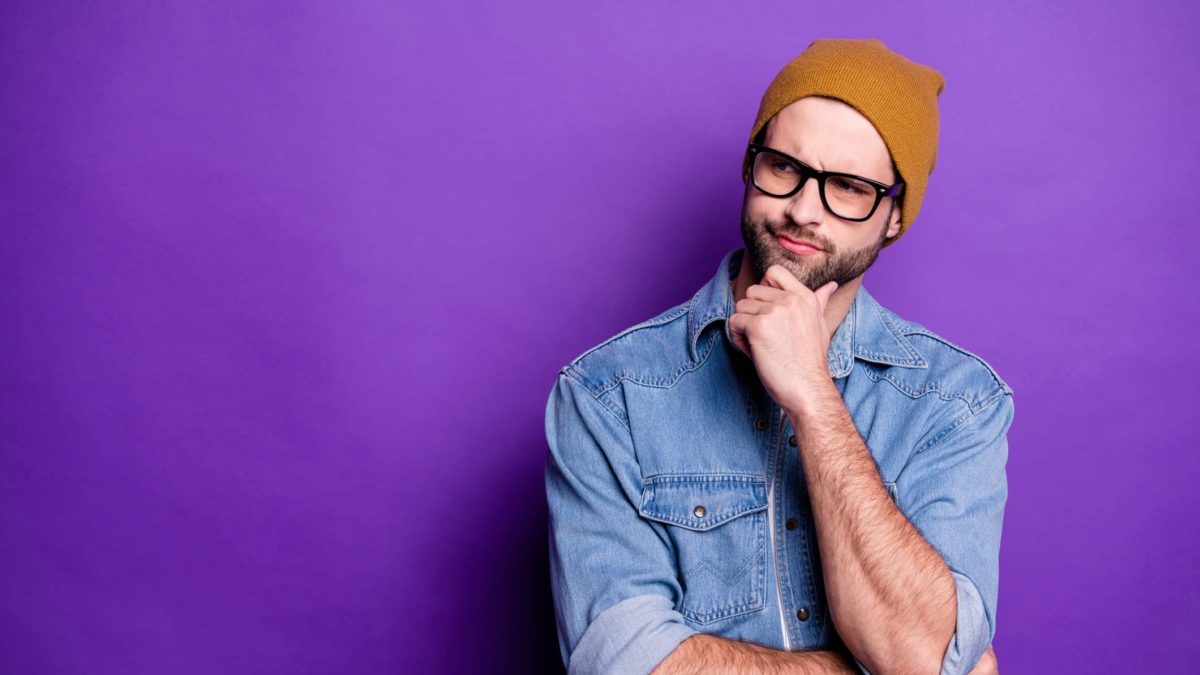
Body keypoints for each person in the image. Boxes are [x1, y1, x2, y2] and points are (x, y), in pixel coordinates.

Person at [544, 38, 1012, 675]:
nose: (802, 209)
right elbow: (621, 662)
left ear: (895, 215)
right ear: (750, 164)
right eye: (784, 167)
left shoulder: (957, 403)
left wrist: (814, 398)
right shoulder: (607, 394)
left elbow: (923, 656)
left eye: (848, 187)